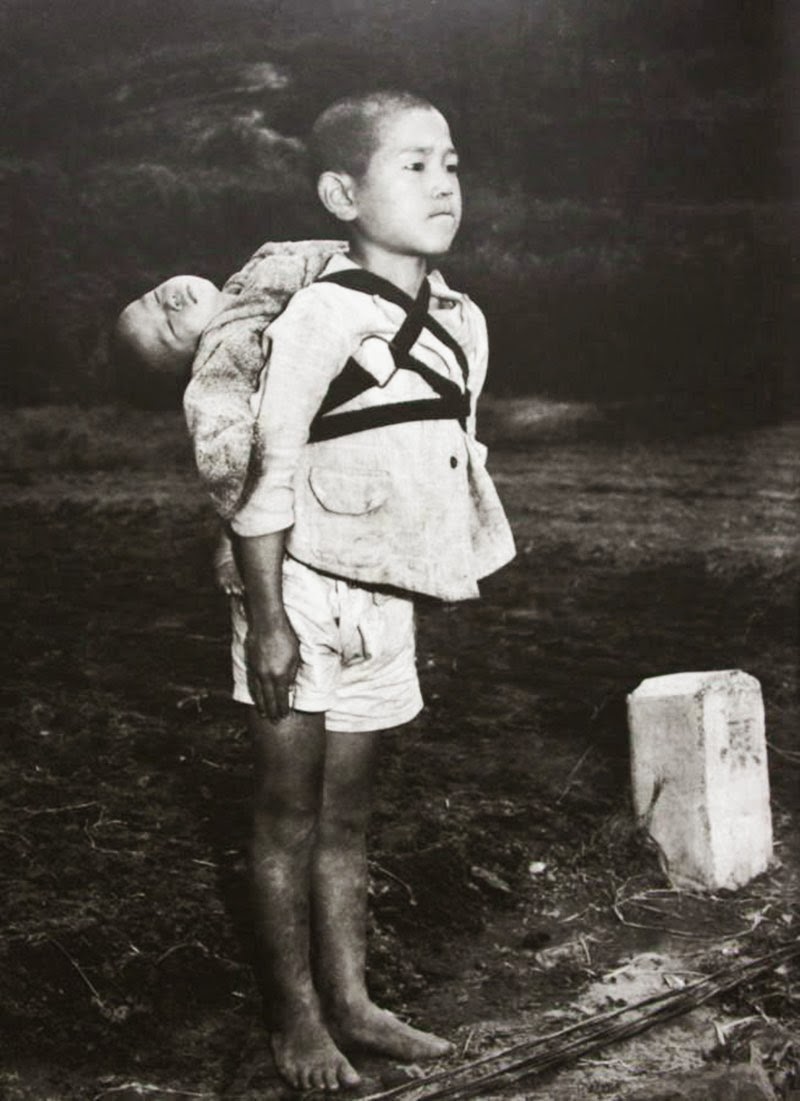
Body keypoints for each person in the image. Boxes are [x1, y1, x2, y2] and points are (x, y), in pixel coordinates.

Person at [225, 90, 515, 1092]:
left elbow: (444, 460)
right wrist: (266, 623)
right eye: (412, 165)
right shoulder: (320, 313)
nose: (442, 184)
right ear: (340, 193)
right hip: (296, 596)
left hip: (382, 602)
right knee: (285, 815)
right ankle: (297, 1020)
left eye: (451, 162)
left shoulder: (463, 322)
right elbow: (263, 473)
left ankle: (353, 1002)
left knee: (347, 818)